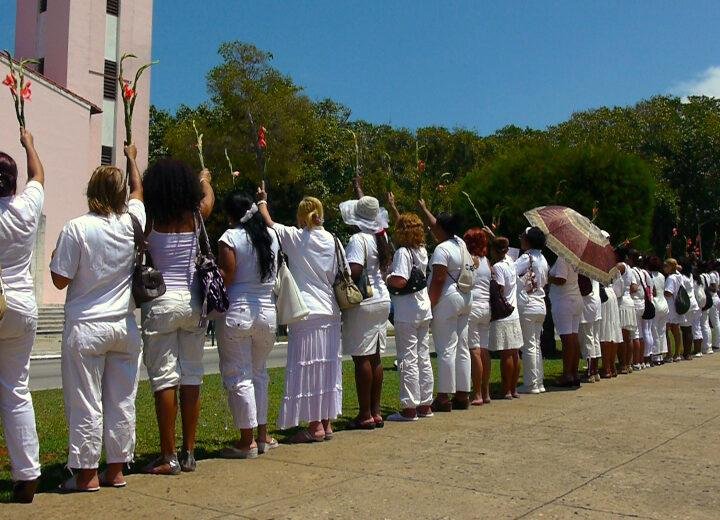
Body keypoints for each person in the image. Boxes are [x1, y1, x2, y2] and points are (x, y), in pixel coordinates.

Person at [50, 144, 143, 491]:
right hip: (123, 324)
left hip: (86, 326)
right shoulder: (132, 222)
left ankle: (86, 474)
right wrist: (132, 157)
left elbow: (60, 279)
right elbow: (139, 191)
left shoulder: (77, 228)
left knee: (85, 401)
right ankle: (116, 469)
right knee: (121, 400)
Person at [140, 159, 215, 474]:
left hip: (160, 302)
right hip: (194, 302)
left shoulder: (150, 218)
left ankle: (168, 455)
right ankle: (189, 451)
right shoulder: (196, 215)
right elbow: (209, 198)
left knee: (164, 379)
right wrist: (205, 178)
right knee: (192, 375)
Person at [257, 183, 342, 442]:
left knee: (307, 368)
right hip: (330, 309)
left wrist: (262, 200)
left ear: (301, 215)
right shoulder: (334, 240)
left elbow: (269, 222)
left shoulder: (296, 237)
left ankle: (314, 425)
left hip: (306, 311)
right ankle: (325, 423)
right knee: (327, 367)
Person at [216, 193, 279, 458]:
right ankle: (262, 436)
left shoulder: (229, 238)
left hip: (238, 310)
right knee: (259, 374)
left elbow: (227, 276)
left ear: (232, 215)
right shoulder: (271, 237)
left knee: (238, 375)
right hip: (266, 311)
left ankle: (247, 440)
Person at [0, 129, 44, 503]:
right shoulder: (27, 207)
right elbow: (39, 176)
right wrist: (29, 143)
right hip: (21, 305)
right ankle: (27, 474)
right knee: (16, 389)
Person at [339, 183, 392, 429]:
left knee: (362, 358)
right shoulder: (381, 237)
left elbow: (355, 269)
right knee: (376, 357)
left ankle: (364, 413)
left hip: (365, 301)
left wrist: (339, 275)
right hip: (382, 298)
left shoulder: (358, 239)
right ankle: (376, 410)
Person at [419, 201, 472, 411]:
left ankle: (443, 396)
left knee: (446, 348)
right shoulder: (460, 243)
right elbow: (436, 224)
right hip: (466, 297)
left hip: (447, 299)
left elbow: (439, 279)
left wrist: (429, 305)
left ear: (440, 228)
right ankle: (462, 394)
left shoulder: (441, 249)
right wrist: (424, 210)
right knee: (462, 348)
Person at [385, 210, 434, 421]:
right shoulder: (422, 250)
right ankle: (425, 404)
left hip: (407, 309)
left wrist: (386, 278)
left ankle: (409, 407)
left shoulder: (403, 253)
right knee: (423, 356)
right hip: (423, 307)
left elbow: (400, 281)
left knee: (407, 358)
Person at [515, 227, 549, 394]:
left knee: (528, 345)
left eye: (522, 236)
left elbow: (510, 272)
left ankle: (531, 384)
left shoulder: (526, 257)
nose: (520, 239)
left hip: (528, 304)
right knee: (535, 345)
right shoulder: (542, 259)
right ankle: (538, 382)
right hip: (540, 304)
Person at [488, 237, 523, 399]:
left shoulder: (498, 267)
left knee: (506, 355)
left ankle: (506, 389)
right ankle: (514, 388)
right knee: (515, 353)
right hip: (514, 312)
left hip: (503, 313)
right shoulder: (511, 262)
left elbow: (499, 290)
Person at [464, 227, 492, 404]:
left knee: (474, 350)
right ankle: (486, 391)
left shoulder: (472, 260)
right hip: (486, 306)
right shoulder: (486, 261)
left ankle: (477, 393)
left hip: (473, 306)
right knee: (484, 350)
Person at [548, 256, 583, 386]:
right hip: (574, 298)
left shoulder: (562, 258)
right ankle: (574, 372)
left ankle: (567, 374)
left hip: (564, 300)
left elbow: (561, 279)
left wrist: (547, 278)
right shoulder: (574, 258)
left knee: (567, 339)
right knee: (573, 337)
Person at [598, 231, 623, 378]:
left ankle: (606, 367)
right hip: (612, 294)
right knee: (612, 332)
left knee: (606, 333)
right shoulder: (612, 258)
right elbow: (619, 287)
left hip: (604, 294)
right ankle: (611, 366)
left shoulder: (598, 258)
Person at [615, 247, 638, 374]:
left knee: (622, 336)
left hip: (622, 303)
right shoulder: (630, 269)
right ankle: (628, 363)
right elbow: (634, 287)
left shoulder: (620, 266)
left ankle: (623, 364)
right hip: (629, 301)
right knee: (628, 336)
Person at [646, 256, 669, 365]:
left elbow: (652, 292)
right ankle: (661, 355)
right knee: (662, 330)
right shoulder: (662, 276)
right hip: (664, 303)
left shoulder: (649, 276)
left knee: (654, 330)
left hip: (655, 303)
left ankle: (655, 355)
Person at [578, 276, 602, 382]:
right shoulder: (594, 266)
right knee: (595, 338)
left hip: (587, 302)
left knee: (588, 338)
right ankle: (595, 370)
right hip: (596, 301)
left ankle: (590, 371)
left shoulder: (584, 268)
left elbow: (584, 288)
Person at [678, 257, 699, 360]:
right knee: (688, 328)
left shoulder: (682, 277)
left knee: (685, 329)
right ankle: (687, 352)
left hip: (686, 303)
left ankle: (686, 353)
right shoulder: (690, 275)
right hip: (693, 302)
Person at [663, 258, 684, 362]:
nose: (664, 268)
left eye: (665, 266)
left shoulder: (671, 278)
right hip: (677, 305)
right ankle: (677, 353)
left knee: (667, 330)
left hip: (670, 306)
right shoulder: (679, 276)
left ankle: (669, 354)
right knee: (676, 330)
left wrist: (660, 292)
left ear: (671, 267)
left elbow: (668, 292)